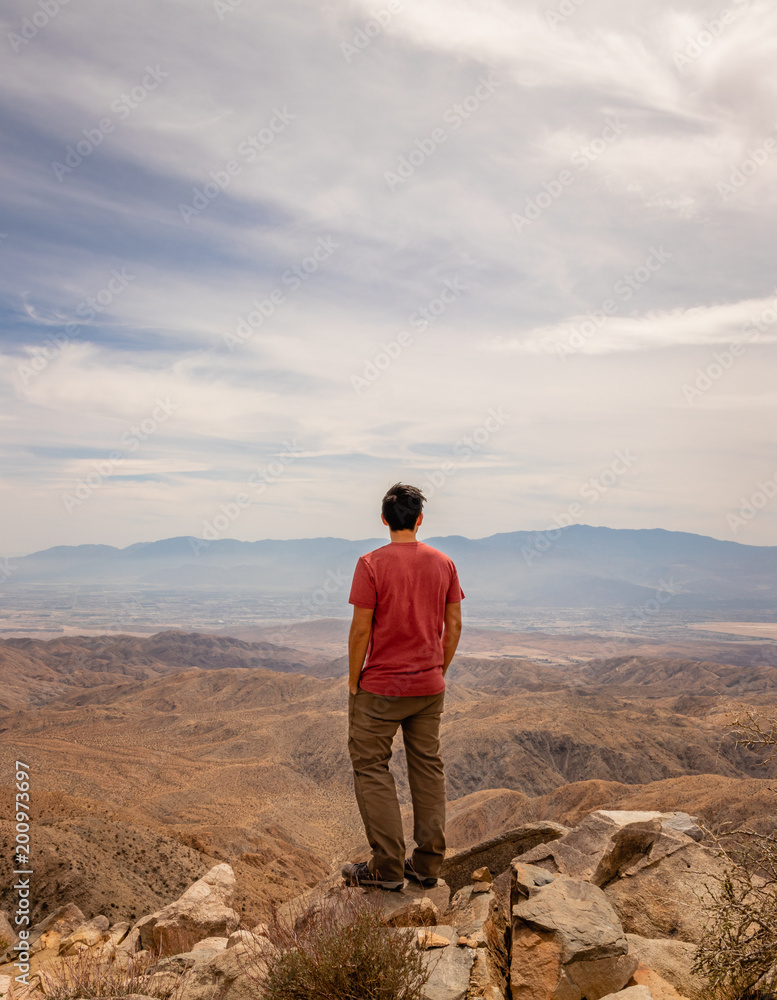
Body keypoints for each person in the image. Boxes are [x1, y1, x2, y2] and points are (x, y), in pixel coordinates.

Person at [341, 482, 464, 891]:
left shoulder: (371, 564)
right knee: (427, 769)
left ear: (383, 520)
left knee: (372, 768)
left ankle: (387, 868)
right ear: (420, 519)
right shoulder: (444, 563)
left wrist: (355, 680)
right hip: (429, 687)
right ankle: (427, 865)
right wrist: (437, 670)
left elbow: (360, 631)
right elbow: (454, 626)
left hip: (380, 689)